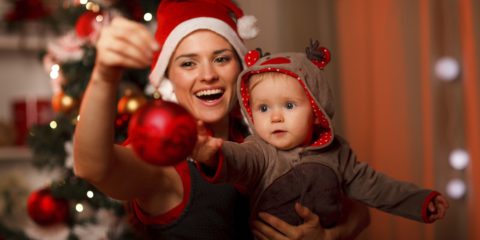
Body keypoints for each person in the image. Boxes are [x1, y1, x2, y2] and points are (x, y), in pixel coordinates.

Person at [73, 0, 370, 239]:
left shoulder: (274, 132)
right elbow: (93, 166)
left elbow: (358, 210)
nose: (207, 75)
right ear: (168, 79)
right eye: (188, 63)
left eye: (221, 58)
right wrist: (104, 76)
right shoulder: (164, 168)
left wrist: (330, 236)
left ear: (240, 68)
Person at [192, 44, 450, 230]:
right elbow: (238, 159)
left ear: (316, 111)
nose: (275, 118)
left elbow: (376, 187)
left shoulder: (338, 153)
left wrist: (420, 201)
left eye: (289, 106)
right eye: (263, 108)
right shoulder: (260, 151)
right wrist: (211, 154)